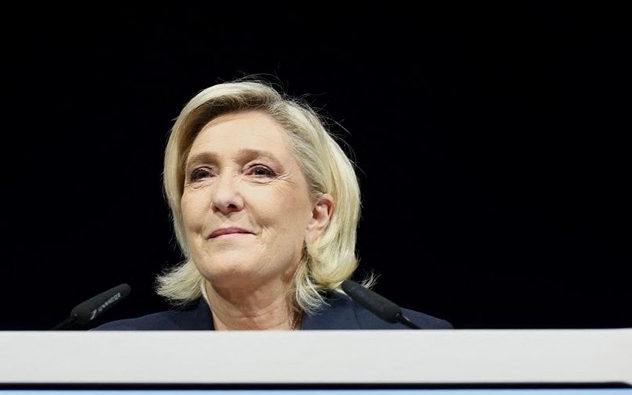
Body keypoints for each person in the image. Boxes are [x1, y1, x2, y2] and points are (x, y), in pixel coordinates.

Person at [95, 77, 452, 331]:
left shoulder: (413, 348)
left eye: (259, 171)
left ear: (317, 215)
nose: (223, 197)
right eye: (201, 174)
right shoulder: (110, 358)